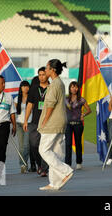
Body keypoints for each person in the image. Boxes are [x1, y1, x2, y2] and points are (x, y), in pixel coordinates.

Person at [37, 59, 74, 191]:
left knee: (44, 150)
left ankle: (66, 170)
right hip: (60, 121)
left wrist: (45, 120)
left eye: (47, 68)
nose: (45, 70)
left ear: (52, 70)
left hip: (53, 122)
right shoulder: (58, 83)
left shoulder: (55, 84)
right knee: (56, 152)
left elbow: (51, 105)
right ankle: (54, 183)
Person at [23, 68, 49, 176]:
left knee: (46, 146)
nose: (41, 77)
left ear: (47, 75)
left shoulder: (52, 88)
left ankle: (44, 168)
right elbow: (29, 105)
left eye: (43, 74)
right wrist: (25, 120)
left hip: (48, 122)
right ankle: (40, 164)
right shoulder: (34, 89)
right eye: (40, 75)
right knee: (33, 144)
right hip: (35, 122)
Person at [64, 81, 91, 170]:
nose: (74, 89)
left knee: (78, 143)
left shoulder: (81, 99)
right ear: (69, 88)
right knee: (68, 144)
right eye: (72, 87)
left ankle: (79, 162)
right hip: (68, 124)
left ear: (78, 88)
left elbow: (89, 110)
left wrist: (83, 115)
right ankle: (67, 163)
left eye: (75, 87)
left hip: (78, 124)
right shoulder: (66, 99)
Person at [14, 80, 31, 173]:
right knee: (21, 146)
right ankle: (22, 165)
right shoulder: (17, 99)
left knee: (26, 145)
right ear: (20, 88)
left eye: (27, 86)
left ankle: (25, 163)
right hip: (19, 124)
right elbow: (13, 111)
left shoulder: (31, 98)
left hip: (29, 123)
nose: (25, 88)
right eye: (24, 86)